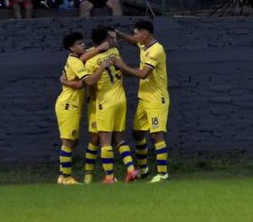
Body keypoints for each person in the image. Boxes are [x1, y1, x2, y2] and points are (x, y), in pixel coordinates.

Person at [113, 20, 170, 183]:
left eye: (137, 33)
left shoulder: (156, 50)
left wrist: (122, 66)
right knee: (137, 132)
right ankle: (144, 170)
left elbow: (143, 74)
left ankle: (162, 173)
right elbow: (132, 41)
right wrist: (119, 34)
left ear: (145, 34)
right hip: (144, 97)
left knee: (156, 134)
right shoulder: (143, 45)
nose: (135, 36)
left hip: (156, 99)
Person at [84, 26, 139, 184]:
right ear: (105, 41)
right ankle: (130, 170)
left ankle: (110, 177)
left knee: (105, 141)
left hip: (105, 101)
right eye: (111, 38)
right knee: (119, 138)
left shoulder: (91, 61)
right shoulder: (115, 53)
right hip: (120, 99)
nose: (114, 41)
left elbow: (91, 84)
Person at [55, 32, 107, 185]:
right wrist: (102, 67)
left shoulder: (76, 58)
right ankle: (65, 177)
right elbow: (86, 82)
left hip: (72, 104)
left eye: (83, 42)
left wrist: (99, 48)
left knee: (73, 141)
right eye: (79, 43)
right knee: (68, 141)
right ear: (71, 48)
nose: (83, 45)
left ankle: (62, 175)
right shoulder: (75, 62)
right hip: (68, 104)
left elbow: (91, 51)